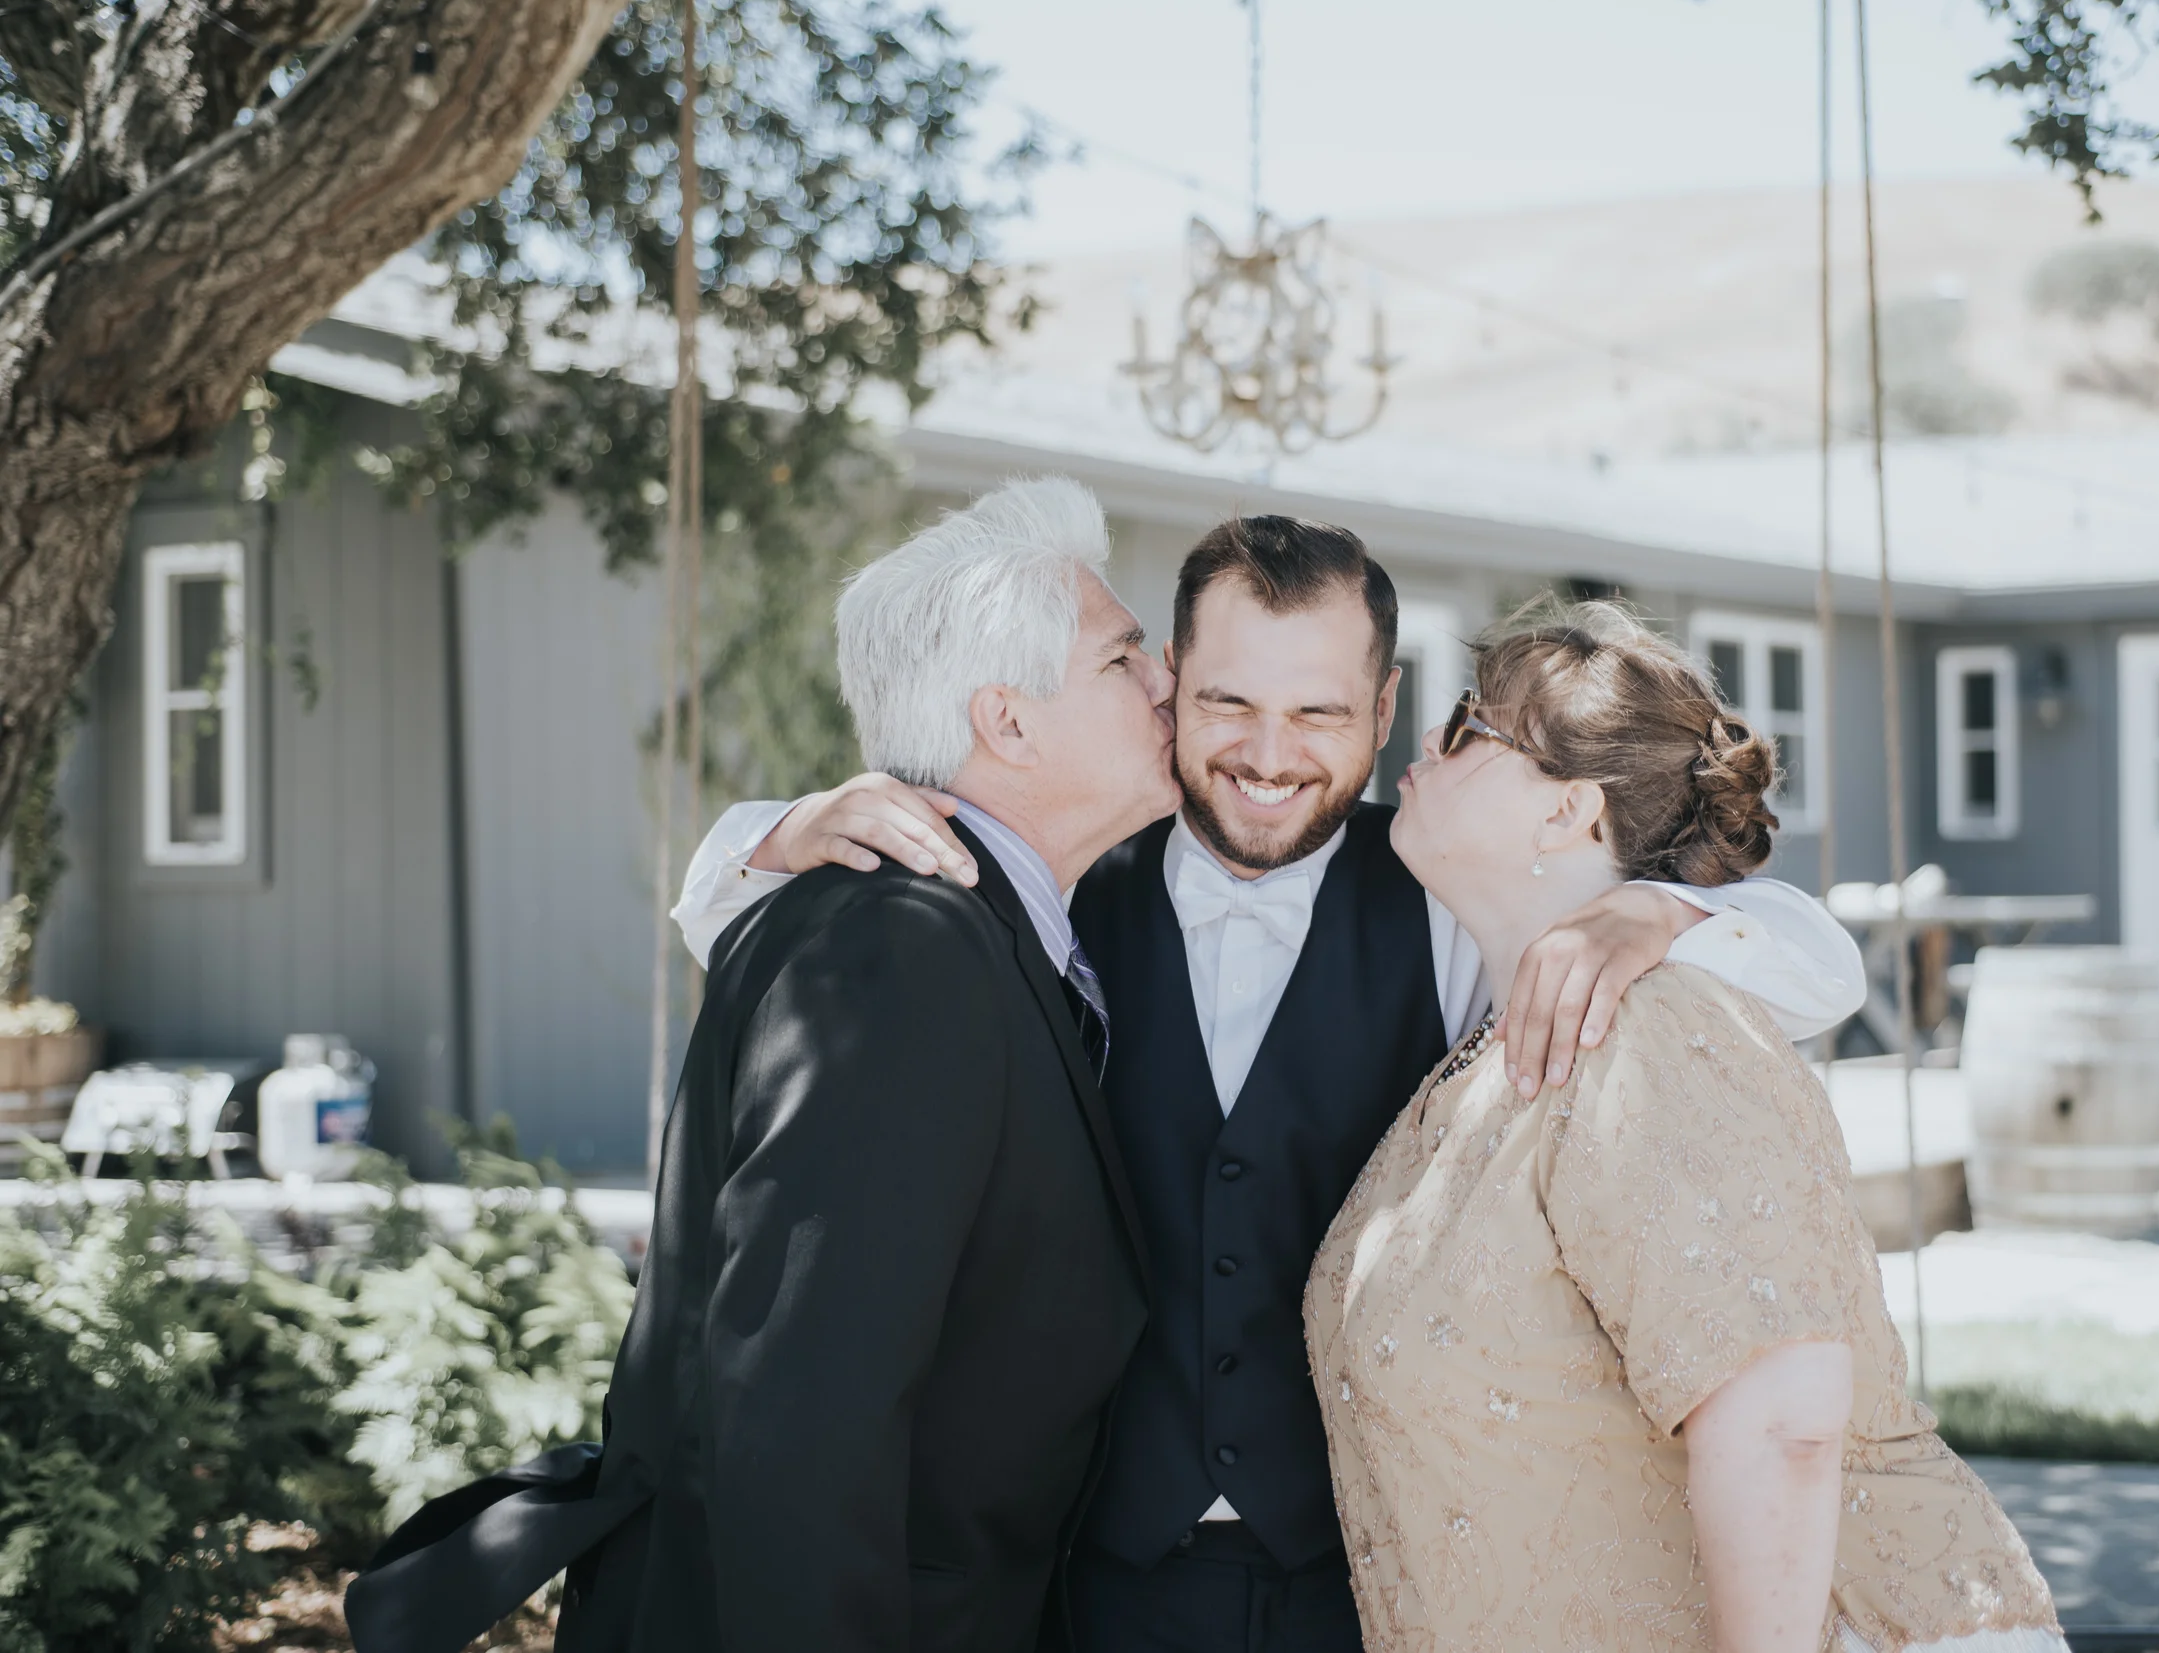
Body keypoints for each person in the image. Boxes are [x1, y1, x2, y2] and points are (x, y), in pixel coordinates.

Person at [677, 517, 1868, 1653]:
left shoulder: (1452, 895)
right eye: (1227, 701)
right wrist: (777, 830)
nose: (1266, 753)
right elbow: (765, 938)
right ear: (1168, 683)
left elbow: (1815, 967)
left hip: (1364, 1572)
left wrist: (1663, 908)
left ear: (1387, 707)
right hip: (1094, 1575)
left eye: (1318, 712)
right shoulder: (1064, 880)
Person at [345, 478, 1176, 1653]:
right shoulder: (906, 948)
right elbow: (798, 1400)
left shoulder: (954, 924)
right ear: (1010, 722)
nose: (1168, 681)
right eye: (1124, 659)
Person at [1305, 598, 2063, 1653]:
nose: (1426, 741)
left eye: (1472, 725)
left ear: (1566, 812)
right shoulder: (1495, 1042)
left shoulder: (1660, 1028)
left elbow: (1783, 1424)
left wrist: (1669, 911)